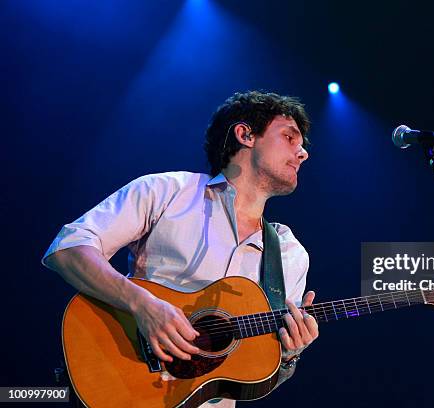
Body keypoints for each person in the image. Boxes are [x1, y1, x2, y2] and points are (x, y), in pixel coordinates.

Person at [42, 91, 319, 408]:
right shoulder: (167, 192)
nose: (303, 153)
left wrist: (289, 354)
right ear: (245, 135)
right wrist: (143, 305)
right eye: (289, 137)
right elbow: (68, 248)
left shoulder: (289, 253)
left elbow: (265, 371)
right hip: (126, 386)